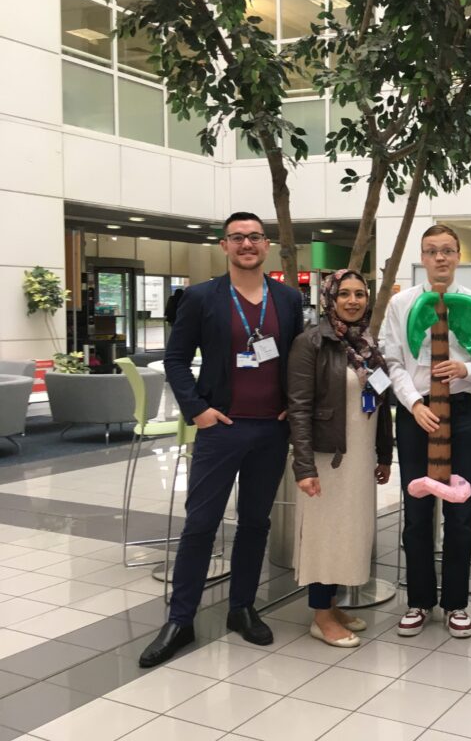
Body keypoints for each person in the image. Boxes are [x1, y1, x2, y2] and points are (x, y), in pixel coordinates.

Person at [139, 212, 304, 668]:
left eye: (254, 237)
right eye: (237, 238)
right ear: (224, 245)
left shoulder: (288, 299)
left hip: (271, 429)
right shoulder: (200, 297)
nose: (246, 244)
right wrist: (198, 411)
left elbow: (297, 357)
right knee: (200, 524)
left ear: (266, 245)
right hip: (221, 428)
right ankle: (180, 619)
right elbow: (174, 360)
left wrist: (295, 401)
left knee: (255, 523)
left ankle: (241, 608)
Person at [381, 224, 471, 638]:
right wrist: (413, 403)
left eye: (448, 251)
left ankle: (456, 603)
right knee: (417, 511)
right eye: (432, 251)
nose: (440, 258)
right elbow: (392, 360)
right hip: (416, 412)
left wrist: (466, 368)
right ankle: (420, 601)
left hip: (462, 412)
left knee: (460, 511)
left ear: (458, 255)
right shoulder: (402, 304)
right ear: (423, 257)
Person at [287, 269, 393, 648]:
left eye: (360, 294)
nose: (352, 301)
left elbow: (380, 405)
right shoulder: (311, 343)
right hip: (326, 457)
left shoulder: (366, 343)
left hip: (360, 459)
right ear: (329, 299)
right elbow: (298, 408)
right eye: (344, 294)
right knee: (324, 536)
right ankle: (320, 616)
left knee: (348, 533)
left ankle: (331, 607)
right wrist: (304, 467)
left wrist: (385, 455)